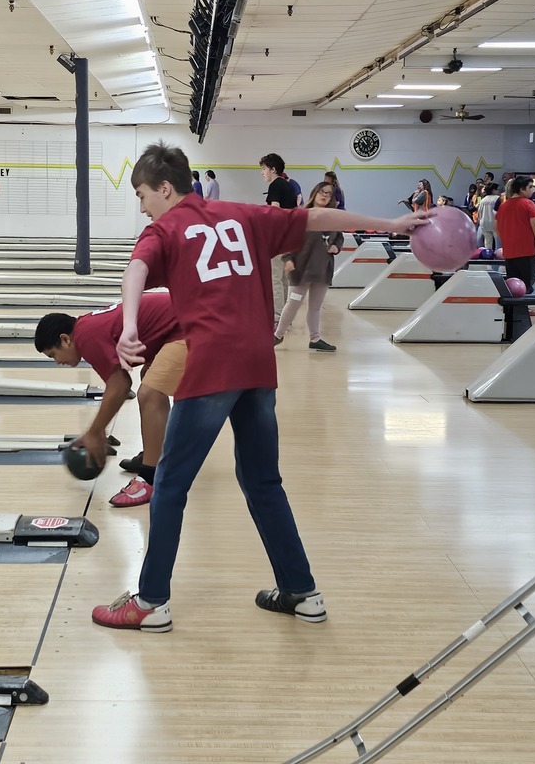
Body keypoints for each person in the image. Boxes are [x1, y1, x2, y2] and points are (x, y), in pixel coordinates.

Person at [89, 141, 428, 633]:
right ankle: (301, 590)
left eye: (142, 194)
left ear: (165, 188)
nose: (141, 205)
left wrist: (129, 327)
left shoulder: (163, 228)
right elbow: (315, 218)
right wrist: (390, 225)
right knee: (263, 481)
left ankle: (150, 601)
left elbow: (136, 269)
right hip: (256, 364)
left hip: (211, 367)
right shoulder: (244, 213)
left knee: (169, 484)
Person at [34, 293, 186, 508]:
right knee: (150, 378)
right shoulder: (88, 326)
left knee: (150, 392)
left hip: (191, 325)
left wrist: (95, 431)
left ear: (65, 339)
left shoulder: (86, 336)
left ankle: (151, 478)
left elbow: (120, 385)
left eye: (53, 355)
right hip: (181, 321)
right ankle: (155, 454)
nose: (57, 362)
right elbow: (120, 381)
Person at [273, 182, 341, 352]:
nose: (324, 195)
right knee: (293, 303)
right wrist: (288, 258)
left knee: (316, 306)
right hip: (301, 269)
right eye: (322, 191)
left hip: (322, 268)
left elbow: (339, 237)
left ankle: (315, 338)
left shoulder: (332, 218)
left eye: (329, 193)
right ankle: (278, 335)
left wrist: (336, 247)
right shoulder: (301, 215)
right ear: (315, 193)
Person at [260, 152, 297, 322]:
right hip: (289, 236)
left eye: (264, 169)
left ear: (273, 169)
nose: (263, 173)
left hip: (278, 237)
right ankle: (284, 317)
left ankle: (276, 318)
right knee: (283, 279)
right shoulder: (288, 185)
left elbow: (275, 211)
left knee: (275, 277)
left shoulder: (275, 185)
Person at [494, 175, 535, 293]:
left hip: (509, 251)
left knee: (512, 284)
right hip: (526, 250)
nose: (532, 190)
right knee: (526, 285)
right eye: (530, 187)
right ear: (521, 189)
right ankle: (525, 309)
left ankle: (514, 309)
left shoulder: (503, 206)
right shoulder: (528, 204)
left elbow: (496, 227)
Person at [476, 183, 502, 251]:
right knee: (498, 243)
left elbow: (479, 212)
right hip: (494, 223)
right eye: (497, 189)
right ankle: (498, 258)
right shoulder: (497, 199)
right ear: (493, 190)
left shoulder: (482, 200)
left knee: (487, 243)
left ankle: (488, 257)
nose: (498, 191)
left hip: (484, 223)